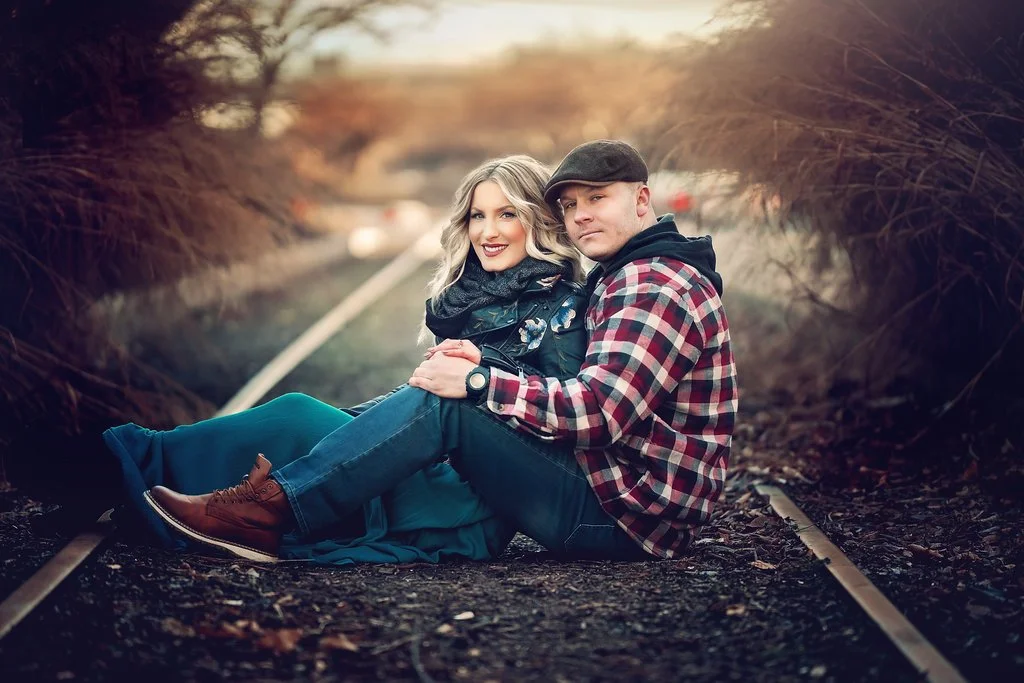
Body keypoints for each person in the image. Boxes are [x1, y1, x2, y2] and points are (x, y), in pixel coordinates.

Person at [146, 140, 737, 562]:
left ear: (641, 199)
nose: (582, 216)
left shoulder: (654, 283)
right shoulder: (626, 277)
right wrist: (471, 373)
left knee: (449, 401)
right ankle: (212, 490)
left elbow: (597, 412)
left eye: (598, 199)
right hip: (614, 498)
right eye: (571, 205)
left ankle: (269, 510)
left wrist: (478, 383)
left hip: (624, 516)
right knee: (330, 410)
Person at [99, 154, 587, 564]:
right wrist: (363, 424)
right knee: (307, 417)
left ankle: (125, 468)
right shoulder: (472, 296)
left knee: (299, 415)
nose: (488, 231)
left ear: (537, 220)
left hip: (468, 500)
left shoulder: (563, 306)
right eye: (478, 216)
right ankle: (131, 477)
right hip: (430, 462)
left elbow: (559, 419)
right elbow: (419, 404)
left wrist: (483, 374)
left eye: (507, 214)